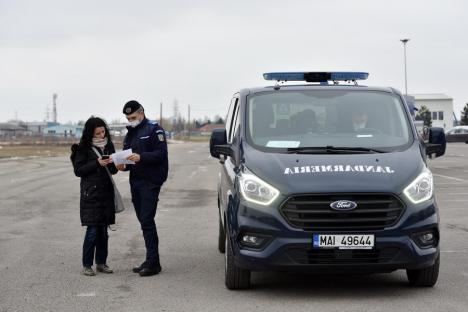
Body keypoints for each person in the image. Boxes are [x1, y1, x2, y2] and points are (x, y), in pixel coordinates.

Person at [116, 100, 168, 277]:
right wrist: (123, 165)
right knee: (143, 221)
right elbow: (130, 159)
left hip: (151, 182)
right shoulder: (130, 134)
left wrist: (141, 157)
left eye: (133, 117)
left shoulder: (154, 129)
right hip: (136, 182)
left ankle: (153, 263)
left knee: (147, 220)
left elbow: (161, 154)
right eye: (128, 118)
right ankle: (150, 259)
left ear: (141, 112)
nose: (131, 120)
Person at [72, 117, 118, 276]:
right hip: (91, 193)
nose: (101, 135)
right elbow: (78, 170)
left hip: (105, 192)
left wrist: (115, 163)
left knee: (104, 232)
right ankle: (86, 265)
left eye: (103, 131)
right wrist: (97, 163)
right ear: (90, 133)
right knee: (92, 230)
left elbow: (113, 171)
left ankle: (101, 263)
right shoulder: (83, 147)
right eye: (97, 133)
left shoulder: (109, 145)